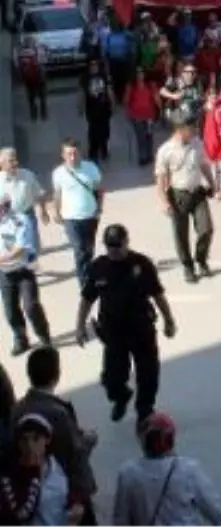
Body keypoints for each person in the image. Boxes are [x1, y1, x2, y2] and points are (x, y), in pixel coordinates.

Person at [76, 224, 177, 425]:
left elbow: (158, 294)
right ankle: (121, 396)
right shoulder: (99, 267)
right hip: (113, 332)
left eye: (118, 245)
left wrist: (169, 320)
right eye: (110, 246)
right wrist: (79, 326)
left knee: (147, 373)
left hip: (141, 328)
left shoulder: (142, 264)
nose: (114, 250)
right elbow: (87, 299)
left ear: (126, 242)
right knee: (111, 378)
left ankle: (145, 410)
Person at [12, 347, 97, 520]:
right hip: (63, 493)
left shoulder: (17, 410)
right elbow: (75, 454)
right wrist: (88, 440)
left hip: (28, 489)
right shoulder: (59, 413)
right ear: (56, 376)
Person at [112, 412, 221, 526]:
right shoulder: (188, 470)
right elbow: (216, 512)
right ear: (171, 439)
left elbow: (121, 519)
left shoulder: (128, 473)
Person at [155, 115, 217, 284]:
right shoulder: (165, 150)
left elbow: (204, 165)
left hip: (197, 192)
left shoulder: (197, 143)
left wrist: (212, 183)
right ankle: (188, 266)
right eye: (191, 128)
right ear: (180, 130)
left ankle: (201, 260)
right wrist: (164, 202)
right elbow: (160, 180)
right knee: (181, 235)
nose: (195, 131)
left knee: (207, 229)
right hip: (178, 195)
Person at [0, 413, 80, 525]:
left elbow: (71, 494)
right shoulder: (11, 475)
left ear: (47, 440)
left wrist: (76, 506)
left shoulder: (58, 467)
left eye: (36, 439)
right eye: (24, 440)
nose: (30, 446)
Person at [0, 195, 50, 355]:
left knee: (31, 306)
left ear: (6, 206)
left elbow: (20, 248)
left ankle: (44, 337)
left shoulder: (19, 220)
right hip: (4, 272)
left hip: (23, 270)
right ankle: (21, 340)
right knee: (10, 310)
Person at [51, 139, 103, 291]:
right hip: (70, 217)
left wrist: (99, 208)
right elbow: (57, 193)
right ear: (63, 155)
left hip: (90, 215)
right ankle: (84, 283)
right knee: (79, 249)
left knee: (89, 249)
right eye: (69, 154)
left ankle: (89, 274)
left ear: (80, 153)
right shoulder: (58, 173)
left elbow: (98, 190)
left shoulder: (91, 168)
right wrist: (56, 210)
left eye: (75, 153)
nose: (73, 157)